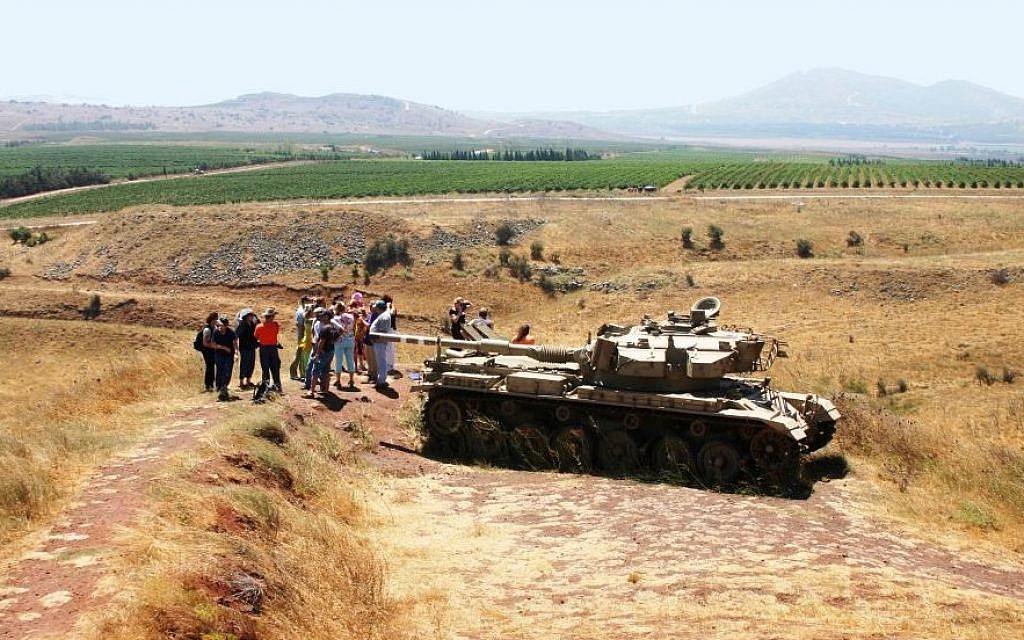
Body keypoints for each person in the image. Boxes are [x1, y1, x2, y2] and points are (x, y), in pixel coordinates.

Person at [305, 316, 338, 398]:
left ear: (327, 317)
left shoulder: (325, 328)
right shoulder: (333, 328)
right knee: (326, 370)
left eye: (323, 317)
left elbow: (321, 342)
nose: (321, 318)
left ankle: (311, 391)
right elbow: (337, 338)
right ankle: (325, 390)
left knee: (315, 370)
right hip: (331, 351)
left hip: (323, 352)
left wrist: (317, 353)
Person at [254, 307, 283, 391]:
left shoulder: (259, 327)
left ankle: (265, 388)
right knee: (275, 368)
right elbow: (276, 332)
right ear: (271, 317)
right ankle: (278, 387)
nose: (274, 318)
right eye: (273, 316)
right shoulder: (275, 325)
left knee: (265, 369)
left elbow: (256, 337)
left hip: (264, 349)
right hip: (273, 348)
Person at [210, 316, 238, 401]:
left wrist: (236, 354)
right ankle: (219, 388)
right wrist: (223, 347)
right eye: (218, 325)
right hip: (219, 354)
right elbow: (213, 345)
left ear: (225, 325)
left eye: (220, 325)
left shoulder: (231, 332)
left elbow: (235, 344)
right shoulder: (216, 332)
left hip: (229, 355)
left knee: (227, 370)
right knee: (219, 370)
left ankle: (224, 387)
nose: (219, 326)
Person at [368, 299, 395, 388]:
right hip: (379, 342)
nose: (374, 308)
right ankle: (382, 379)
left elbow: (383, 332)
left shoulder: (384, 316)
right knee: (381, 360)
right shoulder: (383, 315)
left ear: (379, 308)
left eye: (376, 307)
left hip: (379, 342)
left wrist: (376, 339)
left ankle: (381, 381)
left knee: (381, 361)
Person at [332, 302, 356, 389]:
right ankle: (351, 380)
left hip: (340, 341)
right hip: (350, 339)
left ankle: (338, 381)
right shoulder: (351, 316)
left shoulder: (335, 318)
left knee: (338, 361)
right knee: (350, 360)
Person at [236, 310, 259, 389]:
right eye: (250, 315)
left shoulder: (252, 324)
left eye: (252, 315)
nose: (252, 317)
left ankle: (248, 381)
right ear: (246, 316)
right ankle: (241, 382)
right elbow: (237, 334)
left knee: (251, 363)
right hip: (245, 347)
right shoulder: (242, 324)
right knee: (244, 364)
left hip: (252, 347)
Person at [289, 296, 310, 380]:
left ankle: (301, 373)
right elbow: (300, 325)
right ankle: (293, 372)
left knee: (301, 354)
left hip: (303, 334)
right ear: (304, 301)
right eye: (308, 301)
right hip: (302, 334)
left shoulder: (303, 310)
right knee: (299, 353)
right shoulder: (301, 311)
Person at [199, 311, 219, 392]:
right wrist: (214, 346)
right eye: (216, 319)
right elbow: (205, 343)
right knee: (209, 366)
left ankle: (211, 385)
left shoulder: (214, 328)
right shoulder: (207, 330)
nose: (217, 321)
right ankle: (208, 385)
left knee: (212, 366)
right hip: (207, 350)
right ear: (212, 320)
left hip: (211, 349)